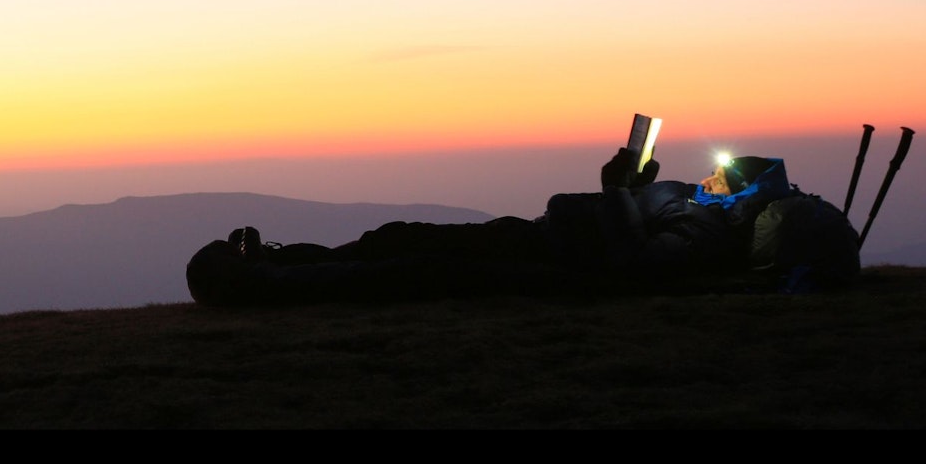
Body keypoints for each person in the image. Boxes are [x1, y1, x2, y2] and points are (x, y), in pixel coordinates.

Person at [185, 147, 797, 306]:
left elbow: (633, 265)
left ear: (741, 190)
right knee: (394, 237)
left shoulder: (710, 230)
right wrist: (636, 186)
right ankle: (279, 260)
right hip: (536, 236)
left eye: (723, 177)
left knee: (410, 270)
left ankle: (254, 285)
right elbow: (632, 228)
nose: (711, 178)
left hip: (552, 269)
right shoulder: (699, 204)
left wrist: (618, 190)